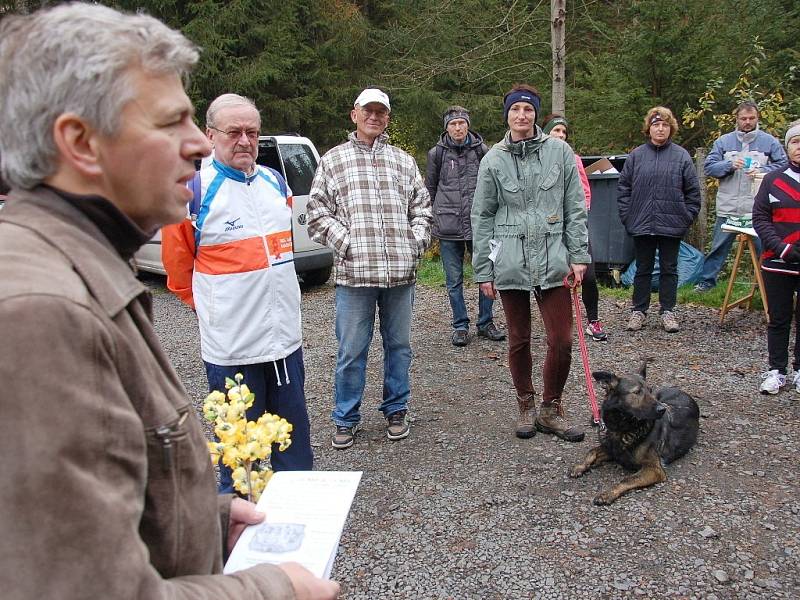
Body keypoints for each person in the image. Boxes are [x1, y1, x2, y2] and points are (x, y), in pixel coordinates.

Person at [0, 4, 338, 600]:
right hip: (234, 340)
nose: (196, 146)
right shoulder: (40, 310)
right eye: (170, 122)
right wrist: (272, 589)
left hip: (280, 335)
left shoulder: (78, 265)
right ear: (80, 142)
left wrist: (203, 519)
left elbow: (107, 498)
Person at [162, 93, 313, 493]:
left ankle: (297, 530)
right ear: (211, 135)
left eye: (252, 132)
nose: (245, 140)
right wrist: (217, 313)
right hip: (233, 352)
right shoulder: (193, 190)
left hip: (284, 345)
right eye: (234, 132)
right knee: (239, 457)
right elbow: (178, 274)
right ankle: (237, 539)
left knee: (294, 453)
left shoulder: (273, 181)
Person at [307, 88, 432, 450]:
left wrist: (414, 245)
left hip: (399, 276)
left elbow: (422, 209)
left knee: (399, 347)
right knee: (351, 351)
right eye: (368, 111)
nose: (374, 117)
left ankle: (396, 409)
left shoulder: (403, 161)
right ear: (355, 114)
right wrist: (348, 245)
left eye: (381, 112)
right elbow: (316, 213)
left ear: (387, 117)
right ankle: (345, 418)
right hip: (355, 277)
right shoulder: (333, 160)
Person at [471, 84, 590, 442]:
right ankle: (526, 405)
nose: (521, 115)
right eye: (515, 109)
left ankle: (551, 408)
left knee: (561, 339)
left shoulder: (560, 152)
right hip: (510, 260)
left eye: (527, 109)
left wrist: (579, 255)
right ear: (506, 114)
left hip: (554, 259)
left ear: (536, 114)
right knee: (519, 338)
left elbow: (574, 207)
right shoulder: (493, 159)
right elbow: (482, 216)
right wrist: (483, 269)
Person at [425, 105, 505, 347]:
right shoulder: (436, 154)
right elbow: (430, 188)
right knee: (453, 281)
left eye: (461, 123)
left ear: (468, 124)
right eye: (453, 124)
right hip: (448, 226)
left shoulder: (483, 151)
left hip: (480, 226)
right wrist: (431, 219)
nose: (458, 128)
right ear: (446, 127)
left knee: (486, 274)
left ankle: (485, 322)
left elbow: (494, 187)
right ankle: (460, 325)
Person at [617, 106, 701, 333]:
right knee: (642, 268)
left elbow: (693, 193)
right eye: (656, 124)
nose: (660, 129)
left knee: (669, 269)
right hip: (642, 224)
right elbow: (623, 189)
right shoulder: (636, 156)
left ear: (670, 128)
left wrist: (686, 217)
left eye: (665, 124)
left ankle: (668, 311)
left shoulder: (681, 156)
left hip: (671, 224)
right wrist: (628, 216)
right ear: (649, 128)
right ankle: (639, 311)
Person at [695, 101, 788, 292]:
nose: (747, 122)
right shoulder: (723, 142)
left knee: (765, 248)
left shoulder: (769, 141)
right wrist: (729, 165)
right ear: (736, 119)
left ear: (757, 118)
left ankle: (768, 284)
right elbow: (709, 167)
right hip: (728, 206)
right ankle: (706, 283)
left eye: (751, 118)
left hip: (758, 208)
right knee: (718, 248)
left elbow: (783, 165)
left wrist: (762, 170)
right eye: (743, 118)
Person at [541, 113, 608, 342]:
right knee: (552, 277)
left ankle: (593, 320)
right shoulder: (538, 159)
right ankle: (557, 322)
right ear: (546, 133)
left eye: (563, 132)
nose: (560, 135)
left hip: (575, 225)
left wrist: (580, 216)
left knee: (588, 274)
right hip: (548, 227)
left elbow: (584, 191)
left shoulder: (574, 158)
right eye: (556, 130)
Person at [752, 121, 800, 395]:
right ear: (787, 146)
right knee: (779, 318)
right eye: (795, 142)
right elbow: (760, 218)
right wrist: (781, 247)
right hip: (777, 261)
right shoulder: (772, 180)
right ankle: (776, 370)